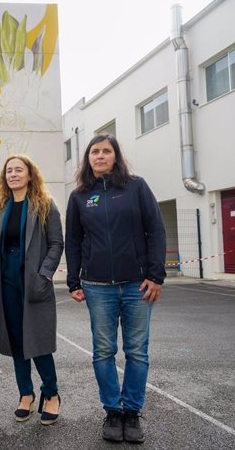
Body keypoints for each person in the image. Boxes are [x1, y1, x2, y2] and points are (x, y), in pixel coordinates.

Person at [65, 134, 166, 443]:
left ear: (116, 156)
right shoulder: (80, 196)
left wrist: (156, 276)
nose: (100, 156)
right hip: (97, 287)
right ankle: (112, 410)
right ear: (88, 158)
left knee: (137, 351)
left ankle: (132, 413)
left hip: (138, 285)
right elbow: (74, 241)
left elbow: (156, 230)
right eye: (94, 151)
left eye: (106, 151)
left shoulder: (136, 187)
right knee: (103, 351)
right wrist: (73, 281)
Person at [0, 155, 64, 425]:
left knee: (38, 343)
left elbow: (56, 243)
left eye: (19, 170)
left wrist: (44, 274)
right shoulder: (2, 207)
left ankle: (51, 394)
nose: (14, 174)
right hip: (5, 284)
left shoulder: (44, 205)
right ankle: (25, 395)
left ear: (30, 175)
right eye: (9, 171)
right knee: (16, 342)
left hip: (33, 284)